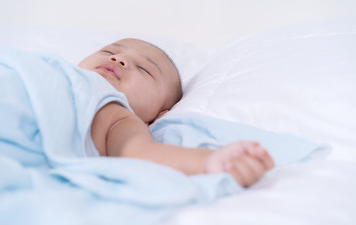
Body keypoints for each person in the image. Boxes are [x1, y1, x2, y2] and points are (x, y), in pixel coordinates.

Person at [79, 38, 274, 187]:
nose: (118, 59)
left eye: (144, 69)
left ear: (157, 115)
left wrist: (210, 161)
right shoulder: (57, 72)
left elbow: (142, 154)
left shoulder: (117, 116)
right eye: (108, 51)